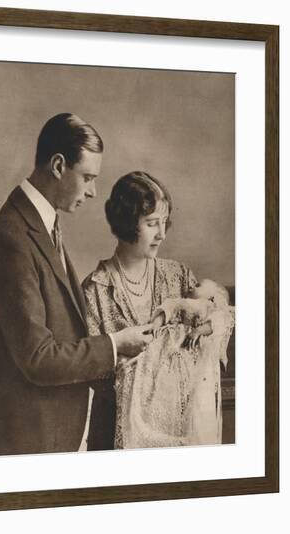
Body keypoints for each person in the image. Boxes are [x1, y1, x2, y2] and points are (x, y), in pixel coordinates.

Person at [0, 114, 152, 457]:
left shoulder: (42, 223)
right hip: (25, 444)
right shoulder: (10, 237)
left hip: (52, 435)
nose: (93, 191)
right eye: (87, 177)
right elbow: (38, 358)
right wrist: (114, 346)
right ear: (58, 165)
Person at [83, 171, 234, 450]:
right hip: (116, 434)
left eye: (165, 223)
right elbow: (91, 368)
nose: (162, 234)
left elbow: (218, 318)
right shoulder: (96, 289)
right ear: (128, 222)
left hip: (180, 429)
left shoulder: (179, 276)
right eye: (152, 224)